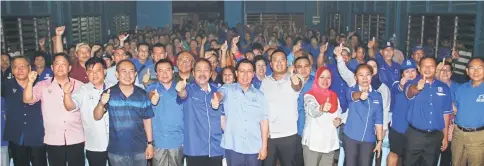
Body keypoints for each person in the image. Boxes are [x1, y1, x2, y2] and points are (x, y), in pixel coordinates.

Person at [23, 53, 85, 166]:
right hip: (53, 138)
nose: (60, 67)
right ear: (52, 67)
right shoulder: (43, 85)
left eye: (63, 64)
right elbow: (28, 99)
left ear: (69, 67)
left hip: (76, 137)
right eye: (57, 64)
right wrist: (30, 82)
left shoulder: (80, 86)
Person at [93, 59, 154, 165]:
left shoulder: (142, 94)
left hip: (139, 149)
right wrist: (101, 103)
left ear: (135, 74)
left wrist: (150, 144)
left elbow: (147, 119)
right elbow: (97, 116)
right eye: (124, 71)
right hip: (117, 150)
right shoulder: (109, 93)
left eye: (131, 71)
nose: (128, 75)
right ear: (117, 74)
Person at [211, 59, 269, 166]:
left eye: (249, 71)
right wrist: (216, 100)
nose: (245, 75)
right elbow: (220, 94)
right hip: (233, 146)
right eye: (242, 71)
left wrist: (264, 147)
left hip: (254, 147)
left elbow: (264, 122)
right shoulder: (228, 88)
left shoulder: (260, 95)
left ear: (253, 74)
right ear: (237, 73)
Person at [62, 57, 111, 165]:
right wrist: (66, 94)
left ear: (105, 71)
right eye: (90, 71)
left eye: (97, 71)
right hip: (94, 144)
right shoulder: (83, 90)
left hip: (116, 144)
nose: (94, 74)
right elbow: (70, 106)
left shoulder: (114, 87)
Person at [404, 57, 452, 166]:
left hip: (435, 137)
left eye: (431, 66)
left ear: (436, 69)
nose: (428, 69)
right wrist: (417, 87)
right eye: (424, 66)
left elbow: (446, 114)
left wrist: (445, 137)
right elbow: (410, 92)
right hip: (415, 135)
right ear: (419, 68)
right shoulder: (411, 82)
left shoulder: (444, 87)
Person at [176, 59, 224, 166]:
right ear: (193, 73)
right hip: (195, 149)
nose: (202, 73)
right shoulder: (188, 89)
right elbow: (182, 94)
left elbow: (224, 119)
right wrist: (180, 90)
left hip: (216, 148)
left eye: (206, 70)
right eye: (199, 70)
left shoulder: (218, 90)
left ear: (211, 73)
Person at [260, 50, 303, 166]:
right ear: (271, 64)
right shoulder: (265, 82)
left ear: (287, 62)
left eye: (282, 60)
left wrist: (293, 79)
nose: (279, 63)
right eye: (275, 60)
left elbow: (297, 85)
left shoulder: (295, 77)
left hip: (289, 134)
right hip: (269, 136)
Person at [2, 56, 47, 166]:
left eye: (23, 66)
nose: (20, 70)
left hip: (37, 136)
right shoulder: (5, 86)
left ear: (30, 68)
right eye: (16, 67)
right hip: (16, 136)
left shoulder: (41, 85)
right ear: (12, 71)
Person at [342, 64, 384, 166]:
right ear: (356, 77)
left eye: (368, 74)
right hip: (351, 137)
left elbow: (379, 120)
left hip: (369, 139)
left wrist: (379, 141)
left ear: (372, 76)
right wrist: (360, 95)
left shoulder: (377, 95)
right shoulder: (351, 90)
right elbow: (352, 96)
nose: (365, 78)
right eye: (361, 75)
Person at [146, 59, 184, 166]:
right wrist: (153, 97)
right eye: (161, 71)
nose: (164, 74)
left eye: (167, 70)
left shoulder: (179, 88)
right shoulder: (152, 88)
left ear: (173, 72)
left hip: (178, 141)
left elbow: (183, 94)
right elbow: (151, 93)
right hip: (158, 142)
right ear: (156, 74)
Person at [302, 66, 342, 166]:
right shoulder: (309, 95)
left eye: (328, 77)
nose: (325, 80)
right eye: (322, 77)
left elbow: (339, 113)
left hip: (329, 143)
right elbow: (312, 111)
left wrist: (339, 120)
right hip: (313, 143)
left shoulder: (334, 96)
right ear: (316, 78)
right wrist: (321, 108)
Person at [451, 57, 484, 166]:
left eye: (480, 68)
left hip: (478, 136)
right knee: (456, 163)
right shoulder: (461, 88)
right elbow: (456, 109)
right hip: (458, 134)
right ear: (467, 71)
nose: (476, 72)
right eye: (472, 68)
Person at [387, 59, 418, 166]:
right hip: (398, 127)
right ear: (402, 74)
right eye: (407, 71)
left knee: (410, 157)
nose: (410, 74)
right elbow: (397, 89)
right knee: (394, 153)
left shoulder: (420, 86)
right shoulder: (397, 84)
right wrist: (401, 84)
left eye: (413, 70)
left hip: (414, 128)